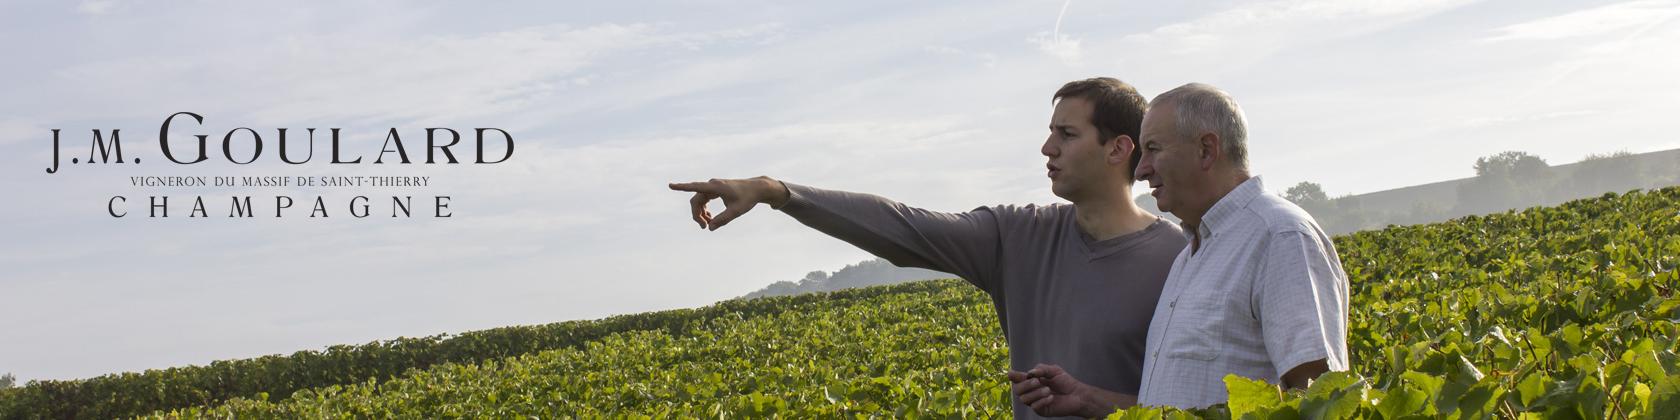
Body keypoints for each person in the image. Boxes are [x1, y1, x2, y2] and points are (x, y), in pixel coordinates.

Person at [670, 78, 1187, 418]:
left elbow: (1197, 404)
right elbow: (901, 227)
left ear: (1119, 148)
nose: (1047, 148)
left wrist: (1097, 405)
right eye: (1050, 133)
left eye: (1067, 134)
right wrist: (776, 191)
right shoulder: (1016, 236)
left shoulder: (1179, 260)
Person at [1131, 82, 1352, 408]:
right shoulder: (1188, 257)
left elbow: (1319, 398)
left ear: (1206, 149)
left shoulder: (1281, 236)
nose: (1140, 170)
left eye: (1153, 149)